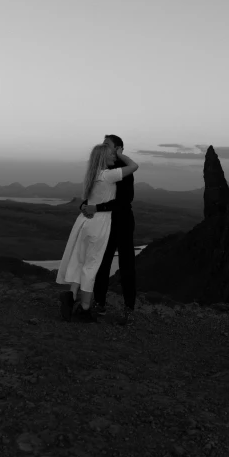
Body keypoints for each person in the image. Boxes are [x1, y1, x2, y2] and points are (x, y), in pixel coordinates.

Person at [56, 142, 138, 323]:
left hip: (84, 222)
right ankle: (85, 308)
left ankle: (71, 295)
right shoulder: (109, 175)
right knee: (92, 265)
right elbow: (134, 166)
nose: (113, 156)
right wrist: (121, 154)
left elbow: (88, 200)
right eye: (110, 153)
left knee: (79, 260)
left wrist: (89, 207)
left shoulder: (91, 175)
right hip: (99, 224)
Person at [80, 134, 136, 326]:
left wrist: (96, 208)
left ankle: (129, 309)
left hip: (122, 223)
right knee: (102, 265)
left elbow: (124, 201)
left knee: (127, 265)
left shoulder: (123, 171)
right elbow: (96, 194)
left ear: (118, 149)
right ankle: (100, 304)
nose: (103, 147)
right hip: (105, 223)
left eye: (107, 144)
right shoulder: (103, 168)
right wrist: (85, 205)